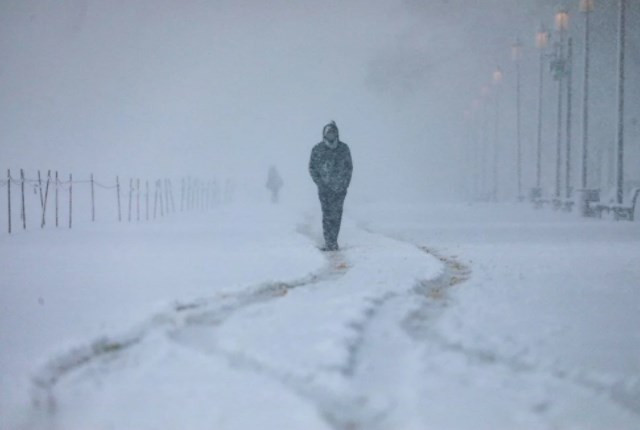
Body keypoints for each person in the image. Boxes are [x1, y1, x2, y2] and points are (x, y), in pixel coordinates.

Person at [309, 121, 353, 251]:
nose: (331, 135)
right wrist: (320, 183)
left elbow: (349, 168)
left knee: (337, 215)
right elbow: (312, 168)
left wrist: (344, 184)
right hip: (324, 189)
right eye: (329, 133)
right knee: (327, 215)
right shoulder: (317, 149)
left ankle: (333, 240)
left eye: (333, 132)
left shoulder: (344, 149)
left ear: (337, 134)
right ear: (324, 134)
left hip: (340, 189)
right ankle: (329, 242)